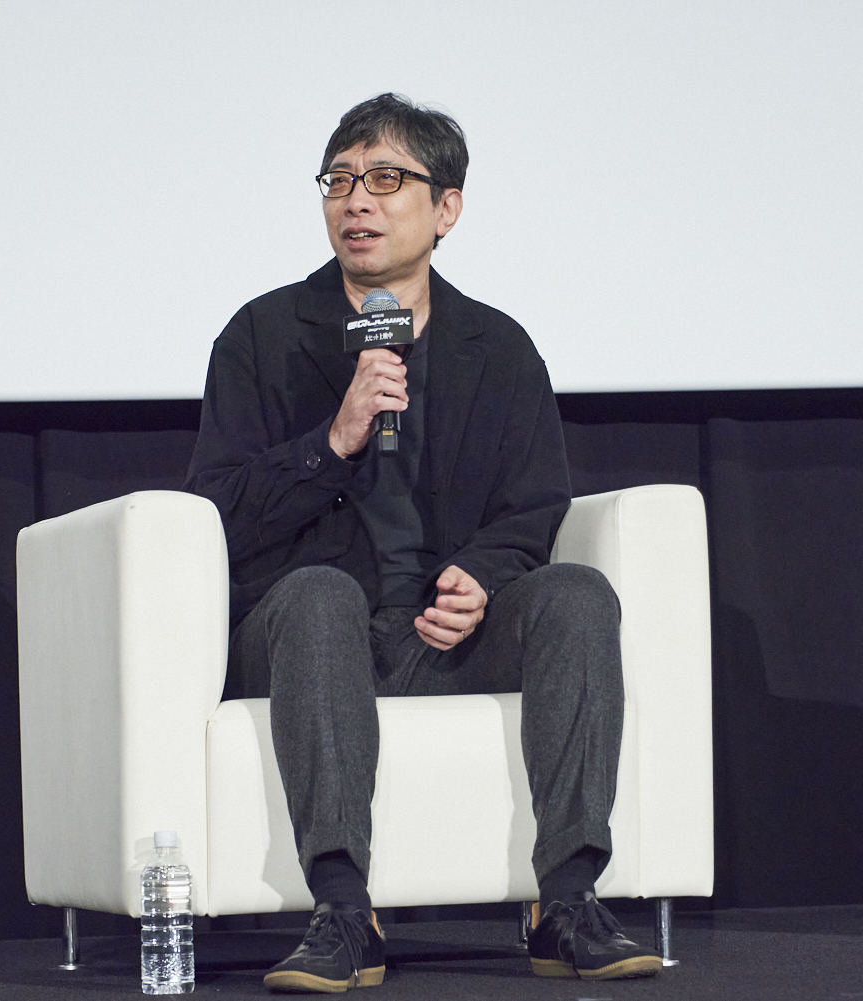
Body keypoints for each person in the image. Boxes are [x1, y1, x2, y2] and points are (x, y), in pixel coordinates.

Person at [184, 93, 660, 991]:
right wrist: (333, 441)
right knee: (319, 593)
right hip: (307, 635)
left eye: (385, 179)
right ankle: (341, 912)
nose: (356, 200)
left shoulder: (499, 348)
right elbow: (216, 513)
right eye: (339, 180)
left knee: (577, 593)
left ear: (446, 209)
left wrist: (482, 576)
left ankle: (566, 904)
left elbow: (534, 506)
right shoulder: (262, 338)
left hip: (445, 639)